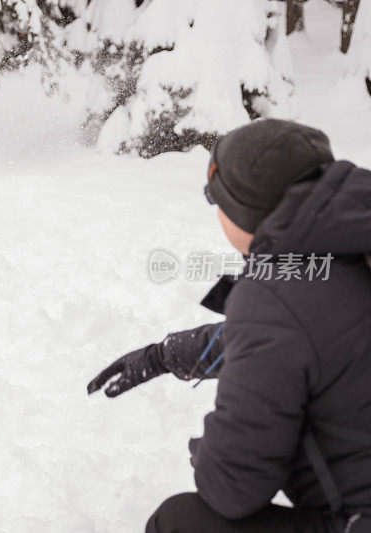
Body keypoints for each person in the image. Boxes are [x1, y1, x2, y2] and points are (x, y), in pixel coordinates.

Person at [88, 119, 371, 532]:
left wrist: (207, 453)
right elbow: (293, 338)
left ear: (245, 210)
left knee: (179, 522)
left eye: (214, 198)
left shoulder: (276, 298)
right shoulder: (347, 251)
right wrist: (163, 356)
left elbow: (232, 488)